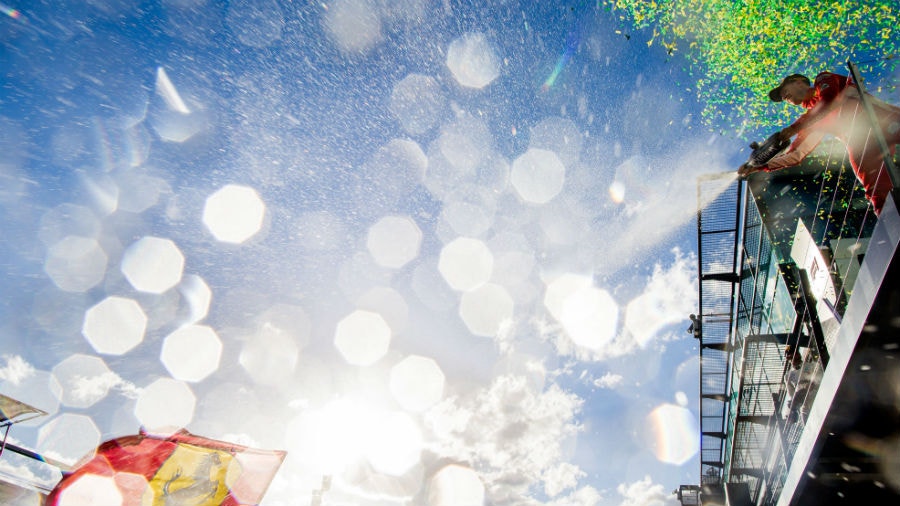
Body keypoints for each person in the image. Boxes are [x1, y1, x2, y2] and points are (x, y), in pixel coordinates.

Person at [738, 71, 900, 215]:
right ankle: (893, 224)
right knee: (877, 194)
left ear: (799, 81)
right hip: (863, 146)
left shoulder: (824, 79)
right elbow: (796, 155)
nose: (783, 96)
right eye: (781, 97)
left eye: (784, 90)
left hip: (884, 120)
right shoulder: (812, 122)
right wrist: (758, 166)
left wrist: (796, 127)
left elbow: (828, 102)